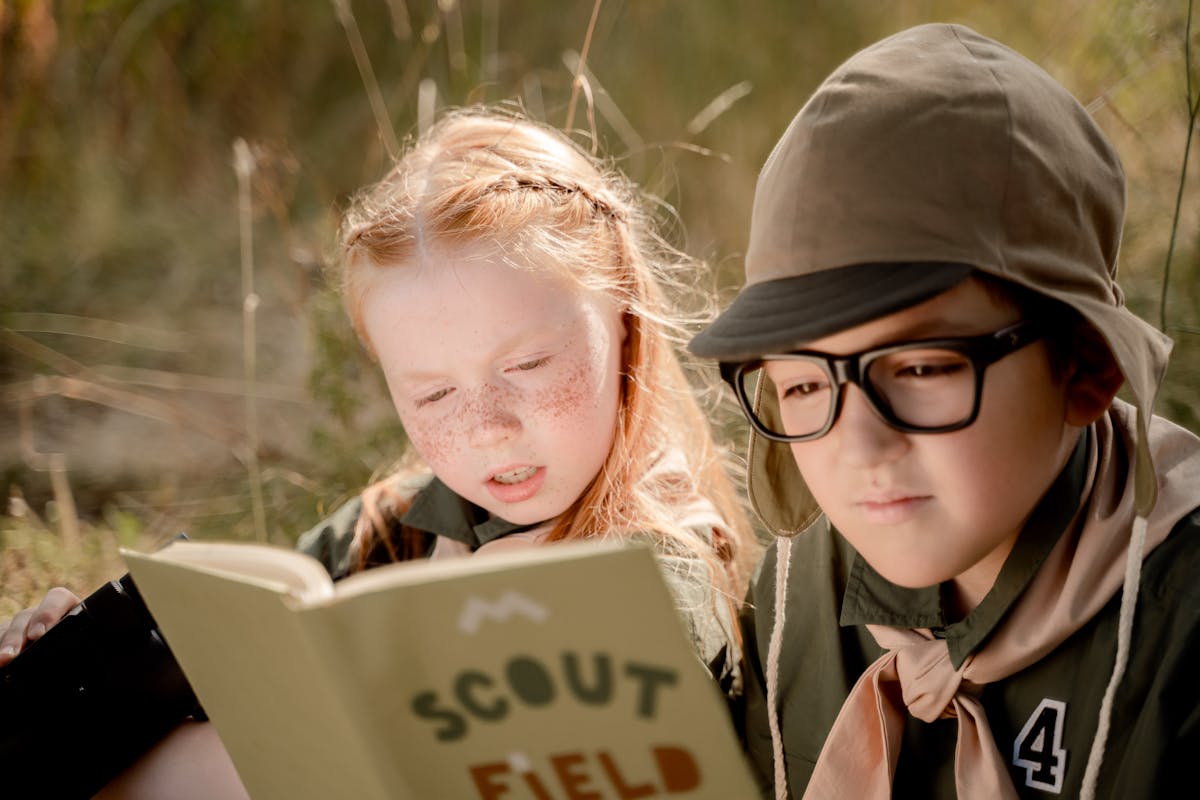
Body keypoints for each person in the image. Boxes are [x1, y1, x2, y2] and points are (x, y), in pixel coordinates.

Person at [1, 107, 758, 797]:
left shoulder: (664, 568)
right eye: (432, 395)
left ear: (625, 319)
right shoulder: (386, 530)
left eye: (527, 367)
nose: (488, 425)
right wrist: (93, 680)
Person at [688, 23, 1200, 800]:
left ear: (1087, 364)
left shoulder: (1182, 622)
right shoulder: (793, 605)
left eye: (922, 368)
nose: (859, 444)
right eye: (800, 386)